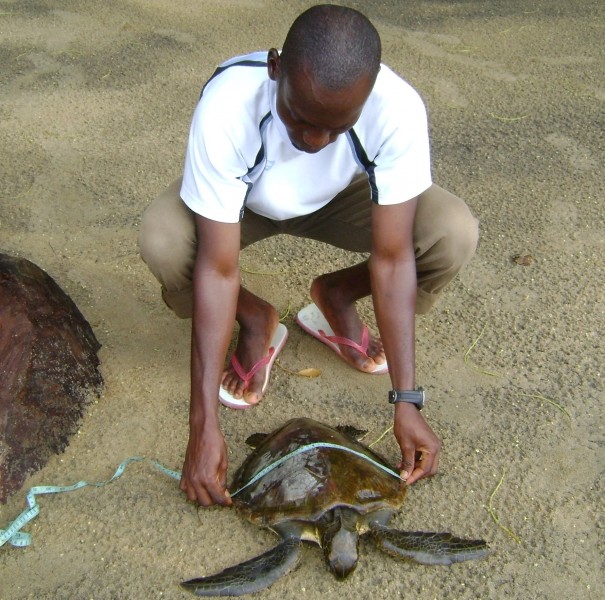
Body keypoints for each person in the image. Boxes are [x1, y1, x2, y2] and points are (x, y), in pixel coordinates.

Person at [139, 4, 478, 507]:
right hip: (242, 204)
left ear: (366, 96)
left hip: (343, 199)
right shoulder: (229, 99)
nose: (314, 141)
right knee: (164, 239)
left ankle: (336, 295)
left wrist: (407, 402)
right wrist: (203, 423)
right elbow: (217, 265)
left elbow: (392, 258)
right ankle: (254, 318)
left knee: (451, 231)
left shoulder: (396, 107)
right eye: (298, 117)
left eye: (336, 127)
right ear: (276, 68)